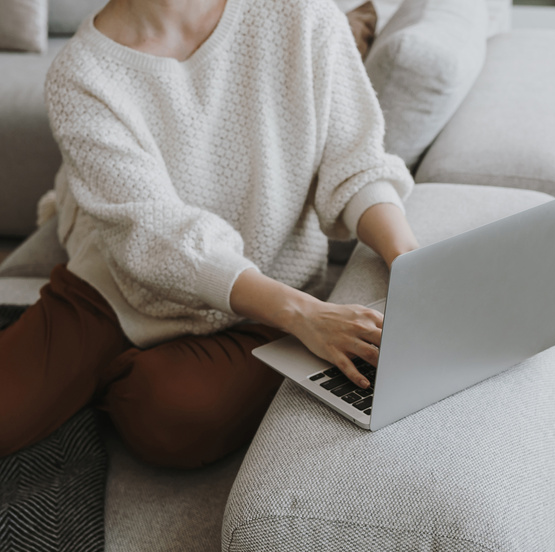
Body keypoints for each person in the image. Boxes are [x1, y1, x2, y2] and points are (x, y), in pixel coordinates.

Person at [0, 0, 418, 467]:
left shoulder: (303, 15)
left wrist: (407, 258)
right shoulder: (80, 73)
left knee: (167, 418)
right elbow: (154, 234)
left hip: (264, 298)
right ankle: (101, 366)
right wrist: (304, 316)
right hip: (117, 288)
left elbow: (357, 166)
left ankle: (109, 377)